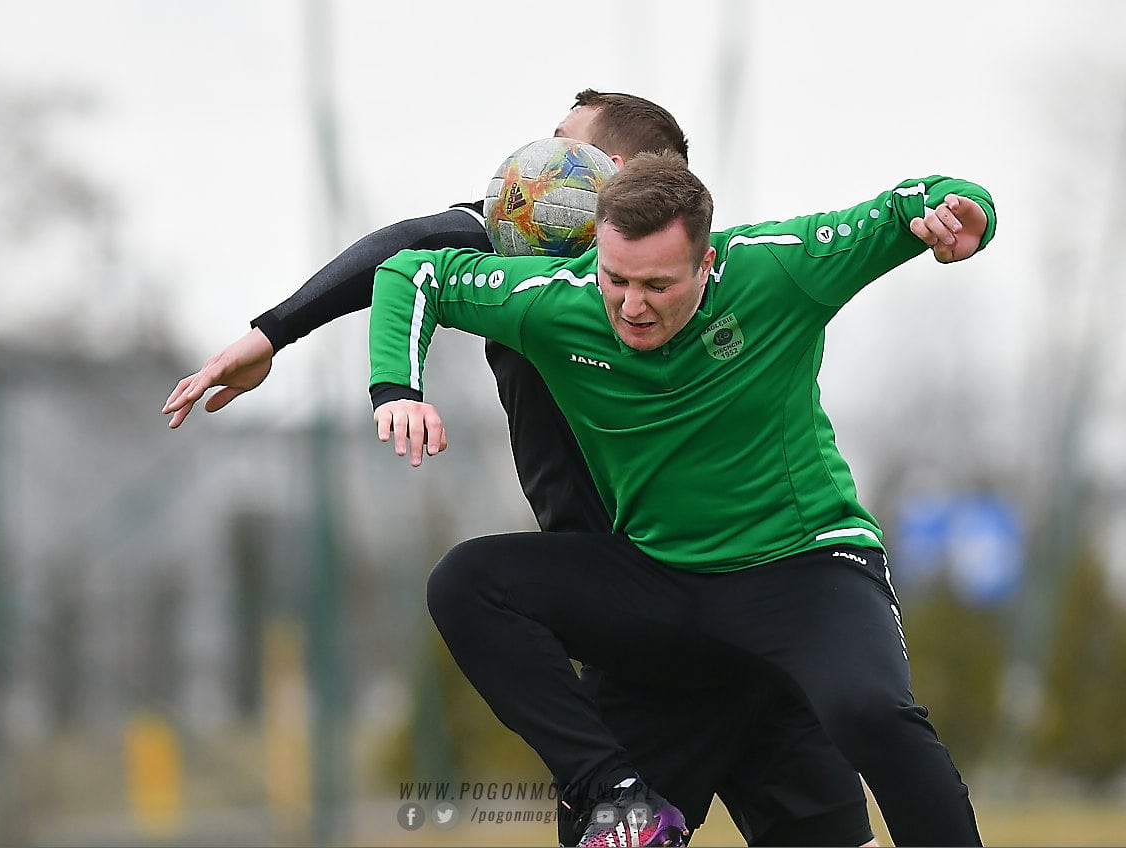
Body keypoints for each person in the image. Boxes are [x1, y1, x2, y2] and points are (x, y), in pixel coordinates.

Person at [165, 92, 877, 847]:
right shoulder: (550, 251)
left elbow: (409, 241)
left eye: (561, 144)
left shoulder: (607, 267)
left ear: (609, 173)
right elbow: (408, 252)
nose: (532, 163)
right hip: (731, 619)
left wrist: (271, 334)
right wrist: (276, 334)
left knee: (477, 593)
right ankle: (618, 790)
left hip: (657, 627)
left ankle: (616, 789)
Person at [367, 152, 996, 846]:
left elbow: (918, 200)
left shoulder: (777, 269)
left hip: (803, 570)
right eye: (616, 279)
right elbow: (412, 272)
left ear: (705, 264)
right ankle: (615, 795)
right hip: (661, 583)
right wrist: (396, 388)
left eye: (658, 285)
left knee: (868, 711)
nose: (632, 306)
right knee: (467, 583)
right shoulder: (557, 300)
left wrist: (965, 215)